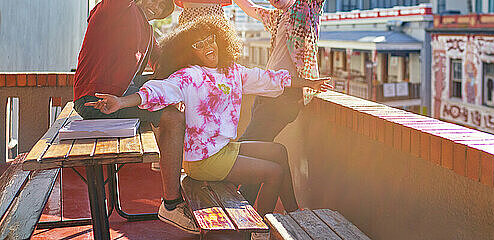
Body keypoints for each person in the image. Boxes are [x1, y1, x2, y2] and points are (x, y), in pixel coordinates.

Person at [85, 16, 333, 216]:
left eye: (210, 40)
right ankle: (259, 229)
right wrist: (121, 102)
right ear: (190, 51)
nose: (207, 47)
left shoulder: (232, 71)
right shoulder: (189, 76)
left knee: (279, 151)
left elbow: (270, 79)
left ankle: (294, 214)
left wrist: (309, 82)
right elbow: (158, 91)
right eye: (198, 45)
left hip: (224, 149)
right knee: (273, 173)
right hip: (204, 159)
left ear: (220, 39)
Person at [72, 0, 199, 234]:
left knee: (176, 95)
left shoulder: (148, 30)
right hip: (96, 101)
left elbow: (166, 64)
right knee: (171, 117)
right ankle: (170, 202)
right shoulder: (118, 9)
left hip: (118, 98)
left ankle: (182, 165)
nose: (155, 6)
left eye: (162, 5)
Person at [232, 0, 359, 142]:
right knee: (254, 141)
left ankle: (239, 175)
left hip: (288, 92)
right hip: (269, 88)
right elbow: (250, 8)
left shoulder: (305, 7)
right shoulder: (276, 17)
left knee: (250, 141)